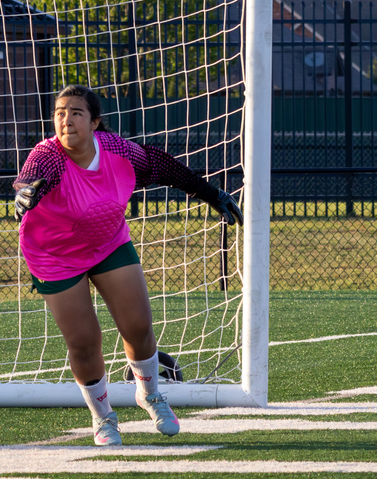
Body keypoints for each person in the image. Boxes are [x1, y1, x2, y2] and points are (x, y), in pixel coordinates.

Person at [13, 84, 242, 446]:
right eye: (59, 112)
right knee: (84, 343)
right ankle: (103, 418)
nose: (66, 119)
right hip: (54, 255)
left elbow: (162, 166)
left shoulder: (117, 149)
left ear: (95, 122)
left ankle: (150, 394)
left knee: (138, 324)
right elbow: (32, 176)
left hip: (107, 242)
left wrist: (211, 194)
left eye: (76, 112)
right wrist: (26, 190)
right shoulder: (50, 156)